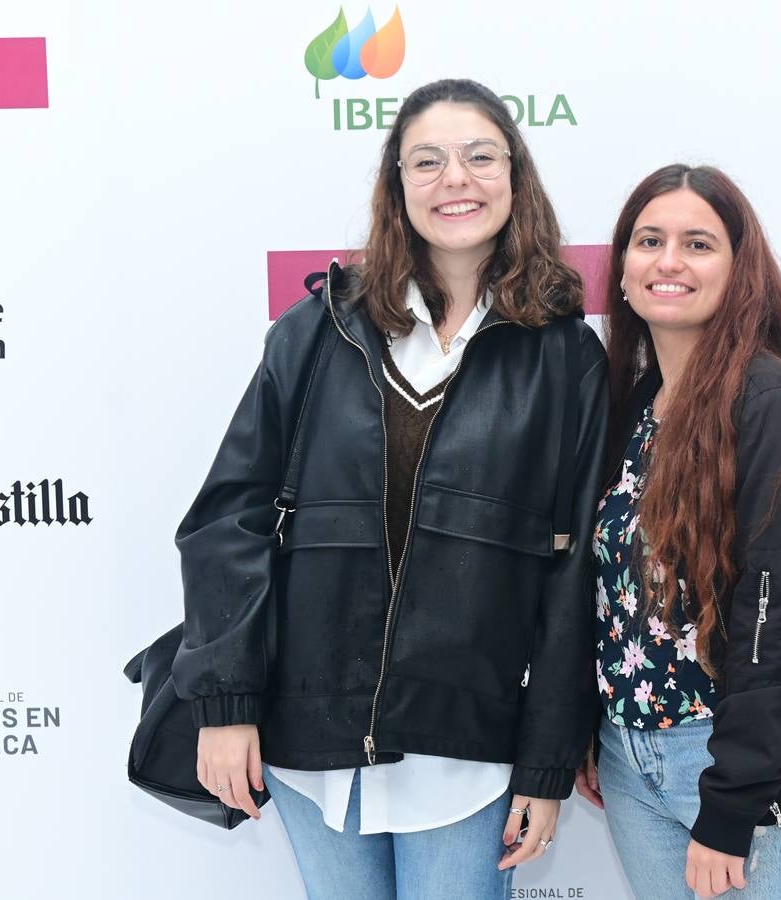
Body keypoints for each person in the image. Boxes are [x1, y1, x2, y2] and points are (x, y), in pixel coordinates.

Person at [172, 78, 607, 900]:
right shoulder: (317, 330)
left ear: (516, 178)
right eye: (428, 161)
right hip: (310, 735)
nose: (456, 180)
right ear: (396, 184)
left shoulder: (564, 357)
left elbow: (570, 570)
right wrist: (225, 702)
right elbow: (231, 517)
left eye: (481, 157)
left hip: (466, 747)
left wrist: (548, 763)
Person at [575, 164, 781, 900]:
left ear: (740, 271)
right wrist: (593, 728)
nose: (668, 261)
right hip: (631, 761)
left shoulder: (772, 403)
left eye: (698, 243)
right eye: (649, 240)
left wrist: (732, 802)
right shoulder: (636, 405)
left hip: (752, 774)